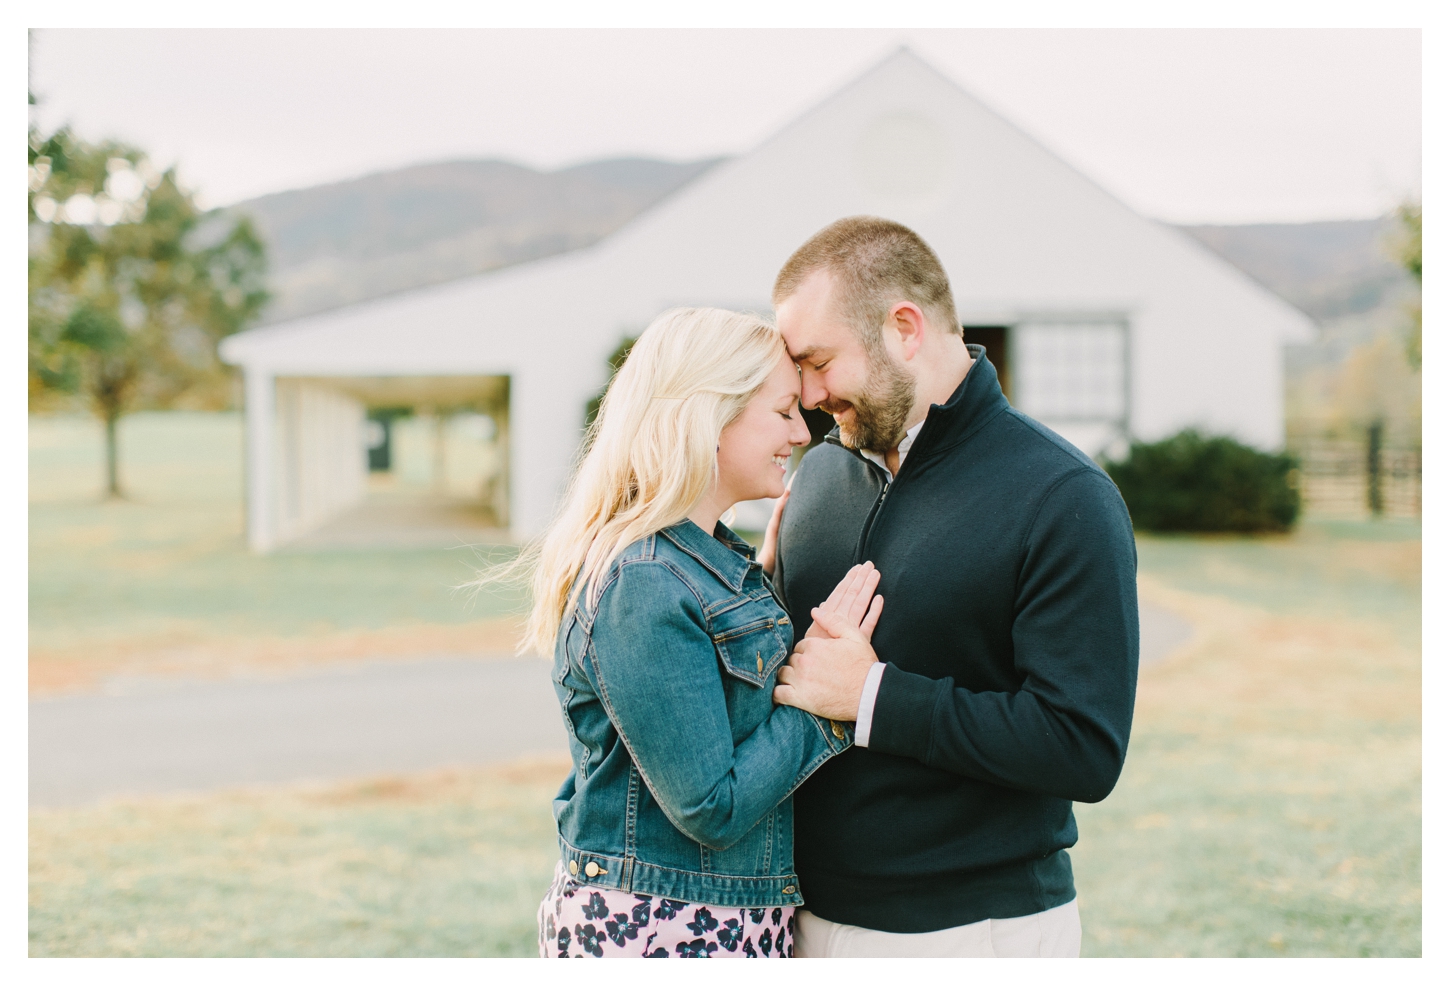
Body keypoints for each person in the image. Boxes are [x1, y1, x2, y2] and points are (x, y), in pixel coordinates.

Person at [766, 216, 1140, 958]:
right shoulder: (820, 477)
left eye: (818, 362)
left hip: (972, 932)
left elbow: (1084, 748)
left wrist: (874, 698)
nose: (806, 396)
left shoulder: (1061, 495)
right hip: (799, 919)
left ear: (904, 328)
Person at [488, 307, 885, 958]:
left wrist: (762, 573)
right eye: (783, 410)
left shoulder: (702, 560)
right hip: (662, 930)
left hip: (713, 919)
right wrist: (825, 705)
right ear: (711, 417)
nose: (801, 430)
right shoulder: (643, 581)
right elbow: (711, 807)